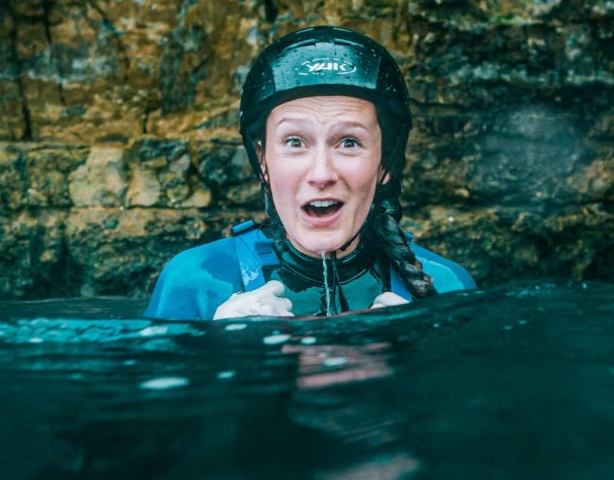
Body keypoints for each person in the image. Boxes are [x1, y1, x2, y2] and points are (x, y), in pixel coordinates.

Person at [145, 26, 475, 320]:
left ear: (385, 164)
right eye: (294, 141)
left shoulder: (446, 287)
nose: (321, 174)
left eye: (349, 142)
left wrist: (414, 357)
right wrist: (228, 354)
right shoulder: (195, 282)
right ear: (263, 160)